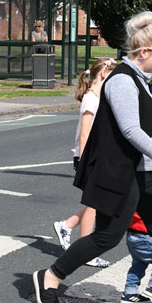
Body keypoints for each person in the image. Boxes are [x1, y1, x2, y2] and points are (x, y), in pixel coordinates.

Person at [32, 11, 152, 303]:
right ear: (144, 53)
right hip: (121, 173)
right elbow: (131, 131)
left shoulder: (140, 80)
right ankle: (50, 276)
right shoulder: (122, 82)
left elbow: (149, 131)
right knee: (106, 237)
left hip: (146, 171)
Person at [52, 58, 117, 268]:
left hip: (96, 155)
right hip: (88, 156)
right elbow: (85, 134)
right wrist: (84, 160)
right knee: (95, 203)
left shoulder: (100, 97)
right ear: (103, 75)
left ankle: (67, 225)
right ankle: (86, 251)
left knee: (98, 202)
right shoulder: (91, 99)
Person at [120, 211, 152, 303]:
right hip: (146, 235)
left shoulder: (133, 198)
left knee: (138, 264)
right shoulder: (147, 199)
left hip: (132, 235)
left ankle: (130, 292)